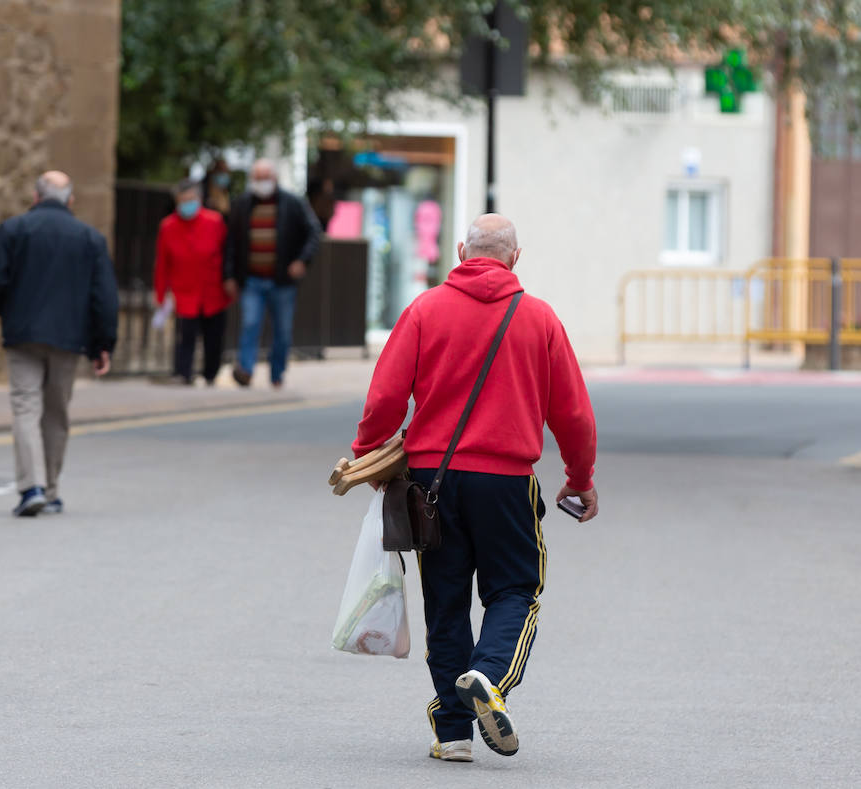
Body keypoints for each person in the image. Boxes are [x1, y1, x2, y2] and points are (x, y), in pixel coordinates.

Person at [351, 214, 598, 763]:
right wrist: (579, 479)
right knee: (515, 590)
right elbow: (574, 416)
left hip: (431, 483)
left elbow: (386, 396)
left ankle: (454, 733)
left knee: (445, 601)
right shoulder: (539, 319)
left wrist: (368, 455)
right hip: (507, 483)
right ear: (515, 258)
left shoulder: (425, 310)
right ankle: (488, 677)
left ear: (462, 252)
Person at [0, 171, 119, 518]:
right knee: (56, 412)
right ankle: (52, 490)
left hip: (23, 335)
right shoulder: (90, 238)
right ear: (70, 200)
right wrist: (103, 344)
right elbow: (104, 297)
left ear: (35, 197)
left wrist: (10, 311)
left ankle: (32, 487)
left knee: (26, 407)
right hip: (69, 339)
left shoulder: (13, 230)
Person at [223, 158, 322, 389]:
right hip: (252, 279)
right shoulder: (242, 204)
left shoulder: (292, 203)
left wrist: (301, 261)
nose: (262, 183)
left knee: (283, 330)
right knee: (249, 324)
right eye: (258, 178)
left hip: (282, 281)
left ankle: (276, 374)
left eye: (265, 178)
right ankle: (245, 370)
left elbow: (313, 232)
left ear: (275, 178)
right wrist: (229, 275)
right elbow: (231, 243)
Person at [154, 178, 230, 385]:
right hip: (184, 292)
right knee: (185, 337)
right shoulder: (168, 226)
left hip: (213, 291)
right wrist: (161, 294)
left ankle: (210, 375)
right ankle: (182, 373)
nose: (187, 204)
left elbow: (227, 254)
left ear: (199, 199)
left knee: (213, 338)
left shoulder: (214, 221)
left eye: (191, 199)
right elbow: (162, 264)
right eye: (183, 201)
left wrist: (230, 282)